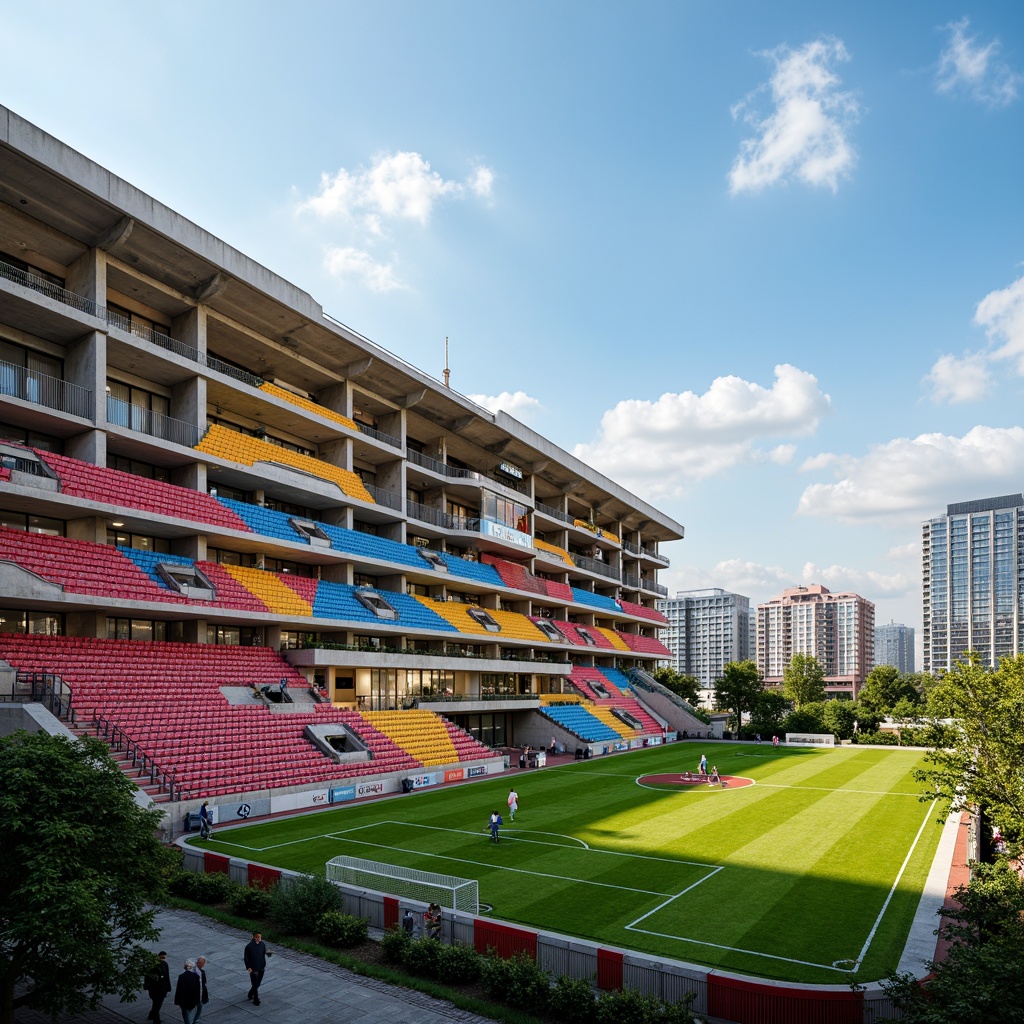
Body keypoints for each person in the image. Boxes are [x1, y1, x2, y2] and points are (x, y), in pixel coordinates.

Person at [243, 930, 271, 1007]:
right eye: (257, 937)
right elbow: (246, 959)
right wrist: (249, 969)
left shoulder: (262, 944)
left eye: (259, 936)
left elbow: (264, 953)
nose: (258, 938)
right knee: (255, 983)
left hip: (261, 966)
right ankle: (256, 999)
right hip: (253, 968)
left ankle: (250, 994)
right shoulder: (249, 947)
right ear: (253, 937)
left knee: (258, 983)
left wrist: (268, 954)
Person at [144, 950, 171, 1023]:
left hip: (159, 988)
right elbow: (147, 977)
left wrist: (168, 988)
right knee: (157, 1004)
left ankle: (151, 1015)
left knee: (156, 1003)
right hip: (156, 988)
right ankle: (156, 1020)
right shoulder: (155, 965)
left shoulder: (163, 964)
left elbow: (167, 977)